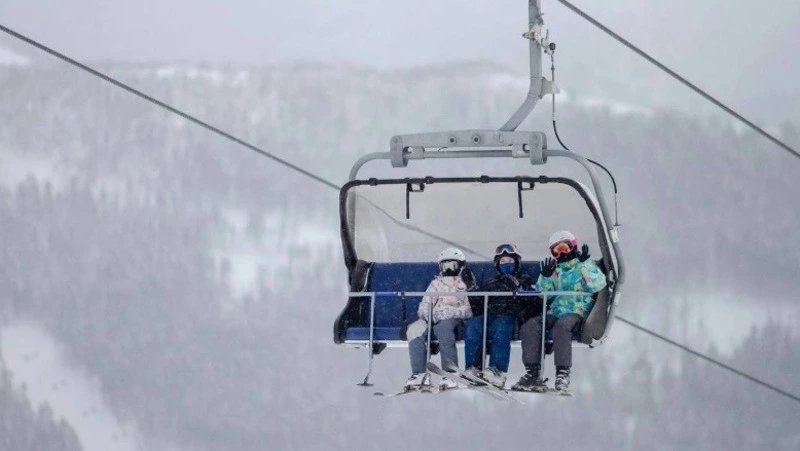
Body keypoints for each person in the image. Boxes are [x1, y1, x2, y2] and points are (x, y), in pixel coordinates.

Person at [512, 230, 607, 393]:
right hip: (555, 311)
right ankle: (532, 372)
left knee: (562, 327)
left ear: (573, 246)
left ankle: (562, 372)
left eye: (564, 247)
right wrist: (546, 276)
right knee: (531, 325)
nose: (562, 253)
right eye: (557, 250)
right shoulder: (555, 269)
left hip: (577, 311)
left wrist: (586, 265)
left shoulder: (583, 265)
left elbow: (597, 285)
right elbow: (543, 293)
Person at [463, 243, 537, 388]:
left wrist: (518, 288)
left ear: (517, 263)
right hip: (490, 313)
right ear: (497, 265)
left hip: (510, 314)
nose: (506, 265)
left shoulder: (524, 280)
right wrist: (472, 290)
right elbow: (478, 307)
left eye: (510, 261)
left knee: (500, 329)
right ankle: (473, 367)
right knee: (474, 325)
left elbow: (533, 302)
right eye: (503, 262)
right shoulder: (492, 283)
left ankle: (497, 370)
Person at [405, 247, 477, 390]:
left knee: (443, 330)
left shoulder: (464, 285)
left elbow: (468, 310)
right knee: (414, 330)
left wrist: (447, 312)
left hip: (452, 319)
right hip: (432, 317)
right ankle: (419, 373)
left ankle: (450, 372)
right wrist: (430, 315)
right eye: (446, 266)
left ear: (461, 267)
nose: (449, 270)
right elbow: (426, 303)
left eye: (453, 266)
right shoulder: (436, 284)